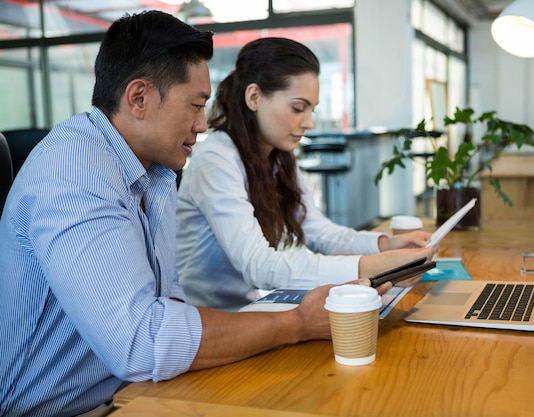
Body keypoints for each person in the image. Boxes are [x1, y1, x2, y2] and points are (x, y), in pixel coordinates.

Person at [0, 11, 388, 417]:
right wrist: (296, 324)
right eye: (195, 106)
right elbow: (142, 342)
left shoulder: (155, 175)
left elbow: (169, 305)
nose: (202, 124)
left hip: (134, 390)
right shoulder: (74, 170)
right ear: (139, 98)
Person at [176, 37, 437, 311]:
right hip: (204, 321)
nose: (309, 123)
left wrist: (385, 244)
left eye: (312, 110)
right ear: (254, 97)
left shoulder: (277, 158)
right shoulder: (216, 161)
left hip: (248, 310)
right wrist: (370, 266)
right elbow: (259, 266)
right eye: (298, 108)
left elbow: (318, 231)